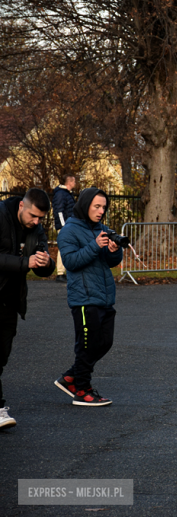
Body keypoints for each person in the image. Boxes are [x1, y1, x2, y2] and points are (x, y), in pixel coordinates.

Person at [54, 187, 123, 406]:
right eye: (97, 206)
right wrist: (95, 246)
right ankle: (82, 390)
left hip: (104, 296)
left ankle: (70, 378)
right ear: (85, 205)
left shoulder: (103, 229)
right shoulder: (68, 231)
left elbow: (112, 262)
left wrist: (114, 250)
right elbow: (71, 262)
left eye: (104, 207)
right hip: (84, 298)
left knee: (104, 343)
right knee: (86, 345)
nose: (101, 211)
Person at [0, 189, 55, 428]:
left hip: (10, 300)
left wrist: (46, 263)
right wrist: (25, 262)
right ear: (21, 205)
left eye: (41, 218)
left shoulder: (36, 228)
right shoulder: (1, 215)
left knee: (1, 355)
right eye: (33, 215)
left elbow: (43, 264)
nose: (36, 222)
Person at [52, 175, 77, 283]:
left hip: (69, 225)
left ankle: (65, 272)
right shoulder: (61, 194)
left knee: (68, 248)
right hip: (65, 226)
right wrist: (64, 226)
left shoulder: (66, 194)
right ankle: (60, 273)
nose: (75, 183)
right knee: (64, 248)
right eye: (74, 181)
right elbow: (59, 211)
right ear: (70, 182)